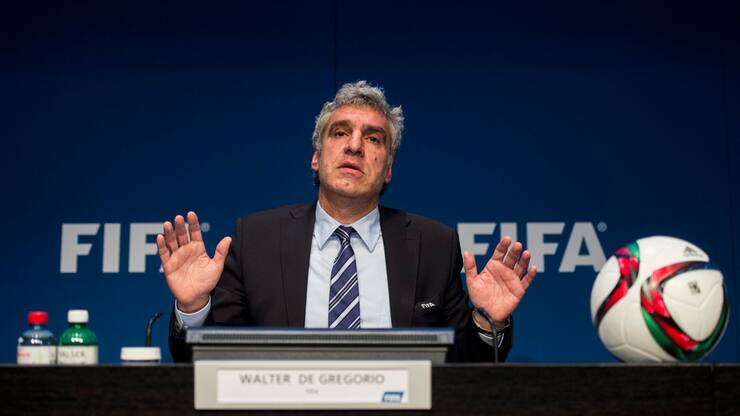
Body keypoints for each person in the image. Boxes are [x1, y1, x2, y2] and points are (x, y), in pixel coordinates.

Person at [159, 81, 537, 362]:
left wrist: (487, 322)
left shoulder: (434, 245)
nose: (354, 145)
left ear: (388, 169)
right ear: (316, 157)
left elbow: (465, 370)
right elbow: (212, 361)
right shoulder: (257, 238)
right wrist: (193, 309)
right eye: (340, 133)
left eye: (373, 139)